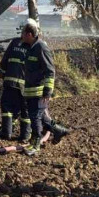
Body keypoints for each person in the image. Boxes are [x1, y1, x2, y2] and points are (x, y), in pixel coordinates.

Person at [20, 19, 70, 156]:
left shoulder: (41, 47)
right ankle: (59, 130)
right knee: (42, 117)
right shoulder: (30, 48)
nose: (21, 36)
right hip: (30, 91)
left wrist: (47, 91)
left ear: (30, 34)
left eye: (23, 33)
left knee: (35, 117)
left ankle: (35, 145)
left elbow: (50, 71)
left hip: (39, 91)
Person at [0, 21, 32, 142]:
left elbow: (4, 62)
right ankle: (25, 136)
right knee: (25, 110)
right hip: (26, 86)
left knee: (7, 107)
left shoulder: (14, 42)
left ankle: (6, 133)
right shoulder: (35, 46)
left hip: (10, 83)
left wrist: (2, 71)